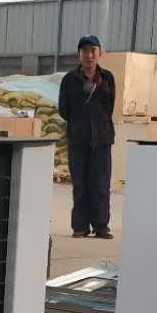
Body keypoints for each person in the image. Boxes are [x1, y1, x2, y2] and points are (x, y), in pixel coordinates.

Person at [58, 35, 115, 239]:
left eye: (93, 51)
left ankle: (101, 226)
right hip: (78, 140)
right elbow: (64, 110)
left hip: (102, 140)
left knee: (101, 186)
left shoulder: (107, 78)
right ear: (78, 55)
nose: (89, 55)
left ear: (100, 53)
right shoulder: (69, 79)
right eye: (85, 51)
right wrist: (81, 118)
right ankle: (80, 227)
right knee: (80, 186)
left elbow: (109, 108)